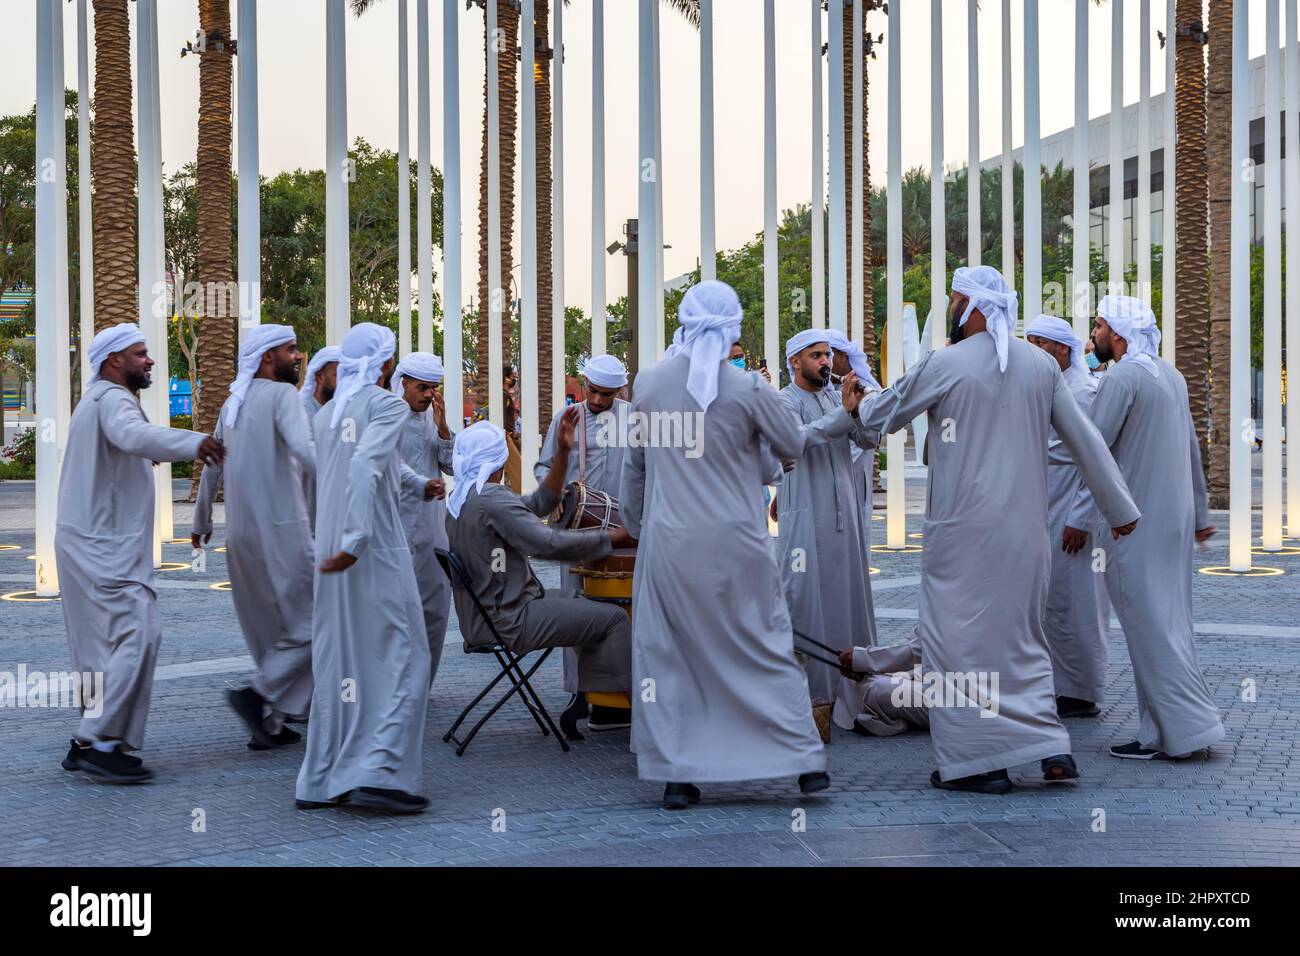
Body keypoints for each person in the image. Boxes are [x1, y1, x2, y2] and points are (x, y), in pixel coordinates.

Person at [853, 266, 1141, 794]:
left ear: (973, 306)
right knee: (1024, 644)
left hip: (963, 537)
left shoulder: (945, 362)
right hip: (1026, 537)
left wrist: (856, 399)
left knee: (956, 648)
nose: (950, 309)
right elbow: (1088, 443)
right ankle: (1051, 750)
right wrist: (1120, 510)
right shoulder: (1040, 366)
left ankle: (976, 764)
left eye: (954, 299)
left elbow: (879, 417)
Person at [620, 280, 865, 810]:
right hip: (738, 543)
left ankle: (679, 776)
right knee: (764, 649)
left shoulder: (649, 385)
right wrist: (770, 461)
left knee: (673, 658)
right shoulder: (749, 388)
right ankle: (801, 762)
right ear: (730, 327)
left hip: (671, 546)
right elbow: (790, 445)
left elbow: (635, 470)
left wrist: (638, 528)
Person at [56, 323, 224, 783]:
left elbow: (128, 444)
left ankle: (96, 742)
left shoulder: (98, 402)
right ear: (115, 361)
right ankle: (98, 738)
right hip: (102, 547)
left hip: (88, 542)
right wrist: (196, 442)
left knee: (100, 647)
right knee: (140, 632)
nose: (149, 360)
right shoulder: (112, 400)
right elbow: (133, 437)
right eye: (141, 353)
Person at [295, 323, 431, 814]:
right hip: (371, 547)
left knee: (339, 664)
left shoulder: (330, 413)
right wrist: (356, 538)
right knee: (407, 655)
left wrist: (418, 484)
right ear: (387, 364)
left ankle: (320, 780)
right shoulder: (388, 404)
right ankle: (379, 774)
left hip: (331, 550)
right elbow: (366, 466)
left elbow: (372, 466)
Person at [1083, 295, 1225, 760]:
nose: (1096, 334)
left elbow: (1093, 450)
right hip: (1174, 522)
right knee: (1169, 623)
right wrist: (1201, 517)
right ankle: (1158, 732)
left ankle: (1185, 731)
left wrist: (1076, 517)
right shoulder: (1172, 375)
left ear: (1118, 335)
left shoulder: (1123, 377)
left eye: (1100, 325)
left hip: (1134, 525)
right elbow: (1190, 451)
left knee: (1148, 627)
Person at [446, 416, 634, 706]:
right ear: (499, 460)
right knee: (614, 618)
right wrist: (612, 538)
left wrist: (561, 455)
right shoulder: (492, 500)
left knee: (584, 597)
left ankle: (597, 697)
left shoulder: (463, 498)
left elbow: (538, 505)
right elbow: (548, 544)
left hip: (481, 618)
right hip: (510, 620)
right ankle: (635, 709)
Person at [193, 324, 317, 749]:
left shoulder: (233, 403)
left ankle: (271, 723)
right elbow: (304, 448)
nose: (298, 356)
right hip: (284, 532)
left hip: (240, 537)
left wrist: (201, 521)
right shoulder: (283, 396)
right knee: (316, 620)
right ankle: (258, 694)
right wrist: (345, 479)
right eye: (290, 349)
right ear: (268, 358)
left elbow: (212, 465)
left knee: (270, 629)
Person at [771, 329, 882, 730]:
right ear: (795, 361)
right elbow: (794, 441)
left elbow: (868, 440)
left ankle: (855, 693)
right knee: (805, 601)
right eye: (816, 355)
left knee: (848, 597)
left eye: (828, 355)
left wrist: (861, 412)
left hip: (844, 520)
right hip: (805, 518)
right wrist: (843, 415)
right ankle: (811, 696)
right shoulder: (783, 401)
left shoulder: (836, 397)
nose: (825, 362)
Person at [534, 354, 633, 733]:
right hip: (576, 531)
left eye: (607, 395)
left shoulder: (635, 419)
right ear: (583, 383)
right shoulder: (566, 418)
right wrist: (555, 490)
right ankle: (582, 692)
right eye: (592, 391)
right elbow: (544, 467)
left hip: (624, 532)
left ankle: (619, 697)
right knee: (578, 609)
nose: (597, 400)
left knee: (623, 608)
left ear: (620, 391)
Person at [1025, 314, 1110, 719]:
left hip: (1072, 511)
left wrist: (1081, 517)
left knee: (1076, 601)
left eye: (1040, 344)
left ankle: (1081, 689)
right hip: (1043, 503)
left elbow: (1096, 462)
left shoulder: (1086, 391)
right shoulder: (1046, 389)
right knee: (1047, 599)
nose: (1034, 351)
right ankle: (1054, 685)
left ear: (1062, 349)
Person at [391, 352, 454, 687]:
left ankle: (421, 684)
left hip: (431, 529)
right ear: (403, 383)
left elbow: (453, 466)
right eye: (422, 387)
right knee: (397, 610)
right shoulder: (387, 416)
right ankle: (394, 683)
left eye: (433, 388)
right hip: (395, 527)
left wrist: (443, 428)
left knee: (435, 607)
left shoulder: (435, 418)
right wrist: (419, 484)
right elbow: (386, 465)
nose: (428, 394)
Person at [837, 627, 930, 736]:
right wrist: (866, 666)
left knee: (878, 688)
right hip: (925, 674)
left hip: (947, 695)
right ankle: (886, 714)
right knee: (852, 679)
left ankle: (889, 717)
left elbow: (916, 651)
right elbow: (909, 643)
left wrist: (863, 659)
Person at [298, 346, 341, 534]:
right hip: (305, 520)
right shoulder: (300, 411)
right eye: (339, 375)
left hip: (335, 520)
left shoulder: (340, 412)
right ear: (320, 377)